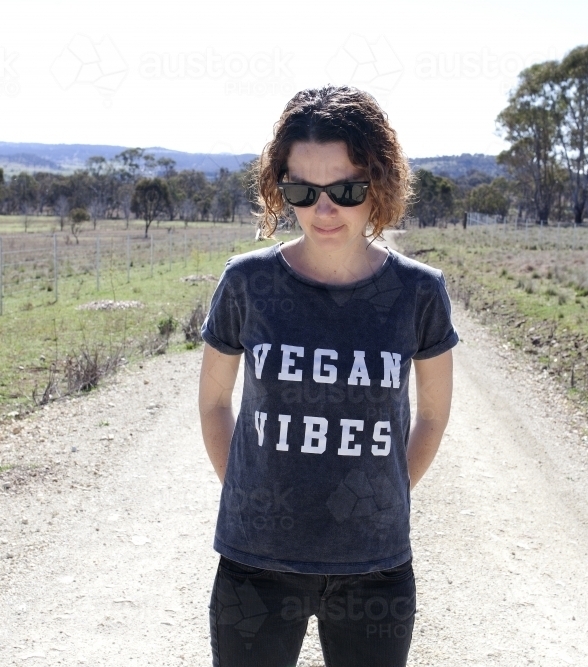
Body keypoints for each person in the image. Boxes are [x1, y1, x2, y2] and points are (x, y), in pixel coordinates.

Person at [197, 84, 458, 667]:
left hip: (375, 567)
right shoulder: (247, 283)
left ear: (378, 185)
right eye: (302, 190)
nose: (323, 210)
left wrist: (381, 495)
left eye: (345, 189)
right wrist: (249, 495)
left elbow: (434, 416)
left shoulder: (418, 292)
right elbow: (214, 402)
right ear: (279, 187)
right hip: (254, 564)